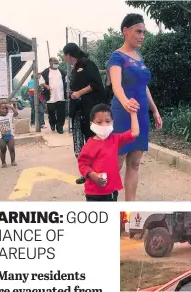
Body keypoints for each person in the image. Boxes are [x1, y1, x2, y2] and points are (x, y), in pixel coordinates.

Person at [108, 13, 162, 201]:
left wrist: (154, 109)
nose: (142, 36)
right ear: (126, 31)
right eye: (138, 32)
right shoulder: (117, 57)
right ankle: (104, 199)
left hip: (140, 115)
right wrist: (125, 103)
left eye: (143, 32)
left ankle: (129, 204)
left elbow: (143, 86)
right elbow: (116, 85)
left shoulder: (139, 57)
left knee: (135, 163)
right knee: (116, 161)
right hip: (123, 114)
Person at [63, 43, 107, 185]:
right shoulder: (75, 68)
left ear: (69, 55)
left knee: (92, 140)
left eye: (64, 56)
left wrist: (79, 93)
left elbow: (95, 84)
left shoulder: (88, 64)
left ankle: (97, 172)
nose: (64, 58)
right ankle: (87, 173)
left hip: (90, 109)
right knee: (81, 143)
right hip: (79, 109)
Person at [77, 102, 139, 202]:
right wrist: (94, 176)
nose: (104, 125)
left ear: (112, 122)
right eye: (99, 122)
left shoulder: (115, 139)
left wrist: (133, 113)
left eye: (107, 121)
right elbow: (83, 165)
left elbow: (134, 132)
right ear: (91, 124)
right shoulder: (89, 146)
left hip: (111, 192)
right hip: (94, 194)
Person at [39, 57, 68, 134]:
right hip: (51, 96)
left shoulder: (62, 71)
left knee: (61, 112)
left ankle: (60, 126)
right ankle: (52, 124)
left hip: (61, 96)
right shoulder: (45, 72)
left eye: (57, 62)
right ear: (50, 62)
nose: (56, 63)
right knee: (51, 112)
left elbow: (66, 81)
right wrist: (47, 86)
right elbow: (41, 82)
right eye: (54, 62)